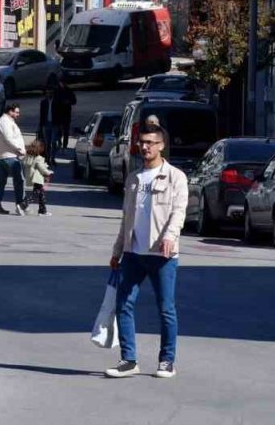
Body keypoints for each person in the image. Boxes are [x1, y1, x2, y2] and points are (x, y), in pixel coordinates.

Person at [105, 123, 187, 380]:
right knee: (123, 305)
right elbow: (126, 218)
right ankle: (129, 360)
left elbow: (179, 212)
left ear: (161, 145)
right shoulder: (134, 178)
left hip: (162, 256)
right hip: (133, 253)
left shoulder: (175, 177)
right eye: (142, 142)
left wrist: (170, 237)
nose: (145, 147)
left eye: (151, 142)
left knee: (166, 309)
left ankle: (167, 360)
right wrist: (118, 250)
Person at [0, 103, 28, 216]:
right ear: (10, 111)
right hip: (8, 156)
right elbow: (8, 138)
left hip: (4, 155)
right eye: (16, 112)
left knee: (1, 181)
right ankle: (20, 204)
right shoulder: (5, 122)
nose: (18, 115)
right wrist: (20, 149)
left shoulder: (6, 121)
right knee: (19, 180)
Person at [22, 139, 52, 216]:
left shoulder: (28, 157)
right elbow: (41, 168)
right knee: (36, 195)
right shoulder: (38, 158)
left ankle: (42, 211)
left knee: (41, 195)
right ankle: (24, 204)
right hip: (37, 178)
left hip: (33, 178)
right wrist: (48, 172)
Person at [51, 82, 77, 155]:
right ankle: (59, 143)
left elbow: (74, 101)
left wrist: (67, 102)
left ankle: (65, 146)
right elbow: (54, 102)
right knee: (58, 131)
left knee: (66, 132)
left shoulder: (69, 91)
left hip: (66, 114)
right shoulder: (56, 91)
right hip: (58, 114)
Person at [38, 87, 59, 166]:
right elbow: (41, 114)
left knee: (53, 142)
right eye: (48, 93)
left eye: (51, 93)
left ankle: (52, 158)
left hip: (54, 125)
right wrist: (40, 126)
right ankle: (47, 158)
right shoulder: (43, 102)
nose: (49, 94)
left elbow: (59, 114)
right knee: (47, 143)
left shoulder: (56, 102)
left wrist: (59, 125)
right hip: (46, 124)